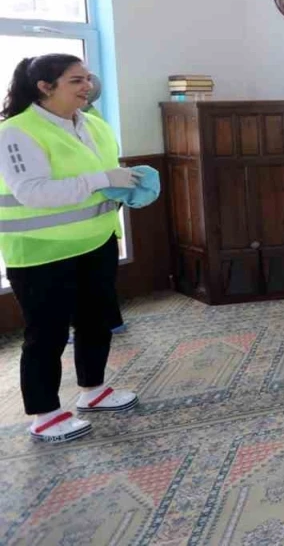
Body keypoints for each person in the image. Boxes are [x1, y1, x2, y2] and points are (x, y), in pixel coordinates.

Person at [0, 54, 141, 443]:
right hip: (41, 252)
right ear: (45, 87)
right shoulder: (16, 132)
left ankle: (93, 391)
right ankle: (45, 414)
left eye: (87, 79)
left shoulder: (93, 124)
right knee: (46, 333)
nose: (87, 87)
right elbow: (33, 193)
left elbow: (106, 177)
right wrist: (101, 179)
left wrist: (131, 186)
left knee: (96, 321)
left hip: (96, 242)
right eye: (76, 81)